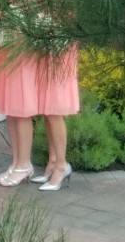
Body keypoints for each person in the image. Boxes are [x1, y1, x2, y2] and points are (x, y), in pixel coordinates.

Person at [0, 44, 40, 187]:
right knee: (11, 110)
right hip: (5, 49)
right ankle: (17, 161)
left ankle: (24, 164)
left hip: (22, 51)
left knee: (22, 109)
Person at [33, 45, 80, 191]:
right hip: (46, 51)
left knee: (54, 110)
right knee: (48, 111)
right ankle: (53, 162)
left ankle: (61, 165)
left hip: (60, 52)